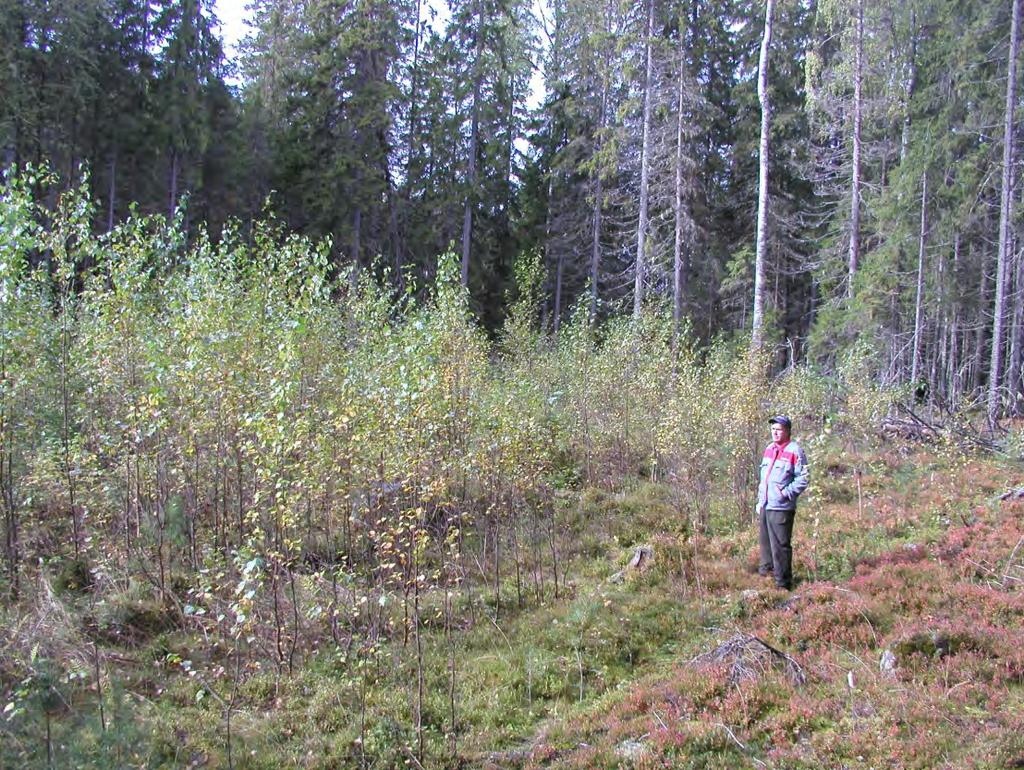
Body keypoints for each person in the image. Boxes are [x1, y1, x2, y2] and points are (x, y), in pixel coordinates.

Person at [756, 415, 809, 590]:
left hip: (782, 507)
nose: (775, 433)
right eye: (773, 430)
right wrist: (759, 501)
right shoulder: (769, 449)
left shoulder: (795, 450)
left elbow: (803, 478)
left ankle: (783, 584)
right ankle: (766, 577)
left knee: (780, 546)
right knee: (765, 545)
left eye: (779, 430)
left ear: (787, 431)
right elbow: (764, 478)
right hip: (765, 505)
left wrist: (785, 493)